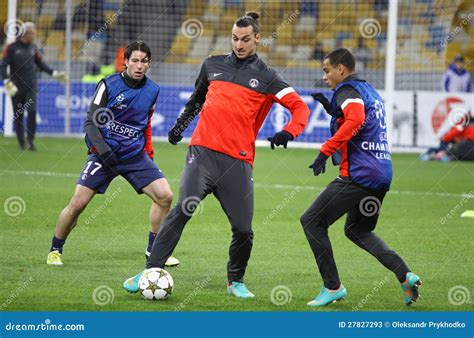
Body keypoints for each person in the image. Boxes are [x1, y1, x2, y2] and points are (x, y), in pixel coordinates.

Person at [123, 12, 310, 298]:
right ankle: (150, 270)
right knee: (184, 208)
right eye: (235, 38)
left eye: (246, 39)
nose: (239, 44)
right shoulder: (212, 64)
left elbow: (300, 108)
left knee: (243, 230)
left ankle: (235, 281)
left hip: (237, 161)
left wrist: (289, 132)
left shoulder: (268, 77)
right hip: (202, 153)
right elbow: (197, 99)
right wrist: (180, 126)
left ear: (257, 39)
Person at [304, 48, 421, 307]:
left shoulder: (347, 90)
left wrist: (325, 151)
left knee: (312, 221)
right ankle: (406, 275)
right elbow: (360, 119)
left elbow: (355, 118)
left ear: (341, 70)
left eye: (326, 71)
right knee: (358, 229)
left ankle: (332, 287)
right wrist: (333, 111)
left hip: (359, 174)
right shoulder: (369, 91)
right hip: (382, 173)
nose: (324, 77)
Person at [46, 41, 179, 268]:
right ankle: (55, 250)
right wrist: (103, 151)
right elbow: (91, 122)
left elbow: (145, 123)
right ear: (125, 61)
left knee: (165, 196)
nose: (138, 66)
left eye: (143, 61)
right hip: (103, 155)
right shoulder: (108, 85)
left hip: (134, 156)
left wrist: (148, 151)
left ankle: (154, 251)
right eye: (134, 61)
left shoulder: (153, 90)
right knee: (78, 204)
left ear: (149, 64)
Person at [0, 21, 67, 151]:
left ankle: (30, 141)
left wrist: (54, 73)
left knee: (32, 112)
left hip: (31, 85)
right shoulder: (12, 47)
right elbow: (3, 65)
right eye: (33, 32)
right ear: (26, 33)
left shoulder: (33, 47)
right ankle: (21, 143)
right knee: (18, 115)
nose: (35, 34)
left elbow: (40, 64)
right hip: (16, 87)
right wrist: (7, 81)